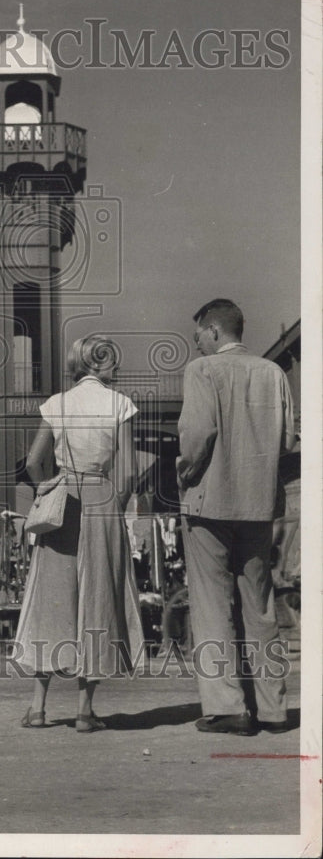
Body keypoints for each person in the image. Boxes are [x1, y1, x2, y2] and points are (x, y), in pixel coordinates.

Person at [177, 299, 295, 736]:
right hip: (259, 504)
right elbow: (287, 438)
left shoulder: (202, 371)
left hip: (209, 501)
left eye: (198, 335)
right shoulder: (273, 372)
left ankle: (228, 707)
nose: (197, 343)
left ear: (213, 330)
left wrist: (184, 473)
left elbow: (197, 435)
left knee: (211, 607)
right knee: (260, 607)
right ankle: (273, 708)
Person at [14, 335, 144, 731]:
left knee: (52, 600)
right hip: (102, 497)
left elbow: (33, 462)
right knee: (98, 599)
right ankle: (85, 710)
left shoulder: (57, 403)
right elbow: (128, 474)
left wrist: (46, 488)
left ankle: (38, 707)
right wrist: (113, 505)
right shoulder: (119, 404)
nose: (117, 367)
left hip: (63, 499)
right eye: (112, 360)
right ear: (100, 364)